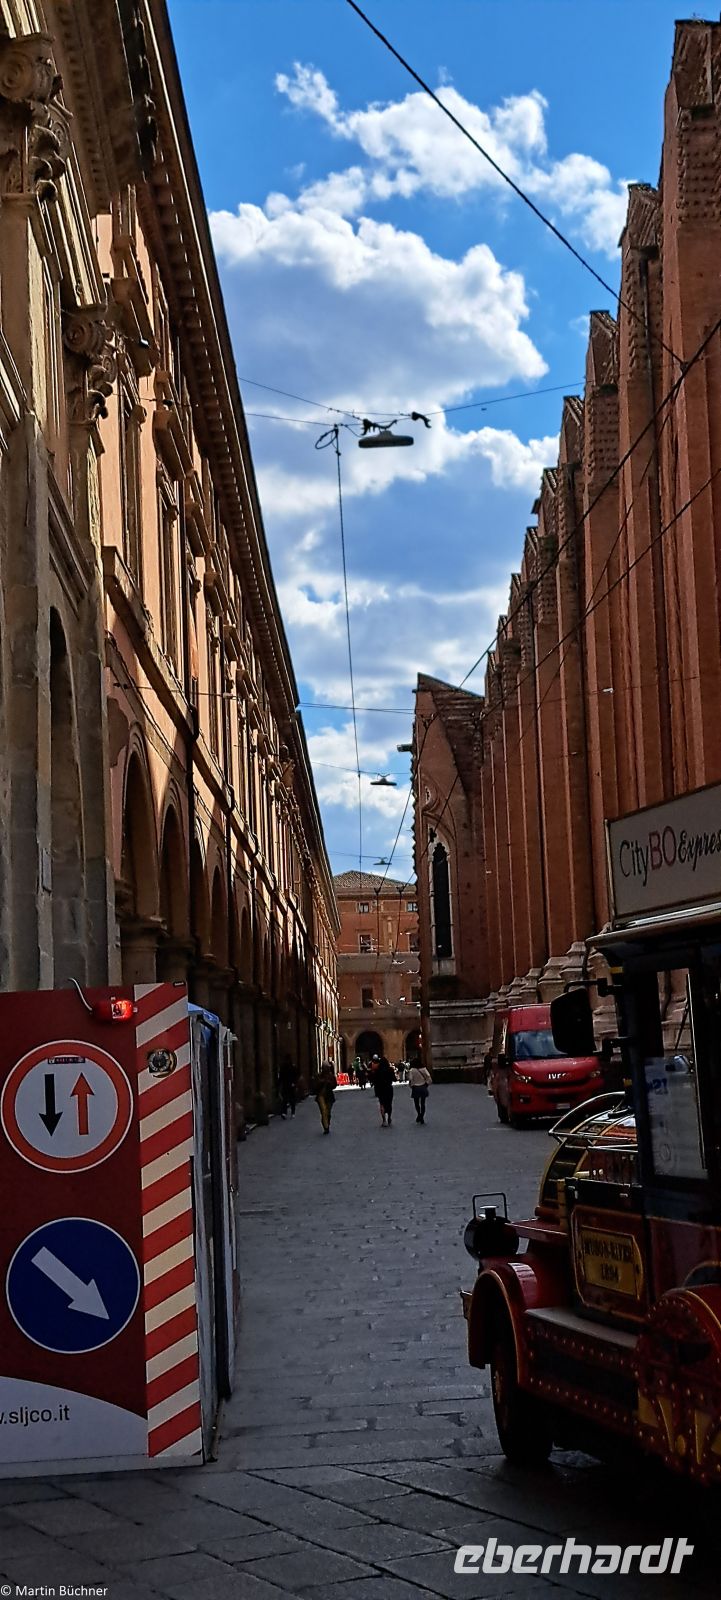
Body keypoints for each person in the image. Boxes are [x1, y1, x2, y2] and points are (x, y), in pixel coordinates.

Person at [314, 1054, 337, 1134]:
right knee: (324, 1111)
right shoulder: (319, 1076)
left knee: (328, 1112)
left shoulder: (331, 1076)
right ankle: (326, 1127)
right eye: (324, 1067)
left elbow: (334, 1085)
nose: (325, 1069)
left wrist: (329, 1083)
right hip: (321, 1096)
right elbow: (315, 1086)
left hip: (329, 1096)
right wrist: (322, 1082)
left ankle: (327, 1122)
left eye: (326, 1067)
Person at [372, 1054, 395, 1127]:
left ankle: (384, 1120)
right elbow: (394, 1079)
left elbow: (374, 1080)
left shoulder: (377, 1070)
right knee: (389, 1103)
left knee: (382, 1104)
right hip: (388, 1088)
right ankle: (389, 1118)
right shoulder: (390, 1069)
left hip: (380, 1089)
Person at [408, 1055, 432, 1123]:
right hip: (423, 1086)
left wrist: (411, 1085)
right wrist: (427, 1084)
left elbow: (410, 1079)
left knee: (416, 1103)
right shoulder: (423, 1069)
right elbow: (428, 1077)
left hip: (415, 1087)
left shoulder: (412, 1070)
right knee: (423, 1103)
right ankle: (422, 1116)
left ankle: (419, 1114)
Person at [278, 1053, 298, 1119]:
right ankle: (287, 1113)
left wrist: (294, 1083)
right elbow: (281, 1077)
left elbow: (295, 1076)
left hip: (288, 1085)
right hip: (287, 1085)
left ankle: (290, 1112)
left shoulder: (289, 1067)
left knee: (288, 1099)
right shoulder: (287, 1067)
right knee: (287, 1099)